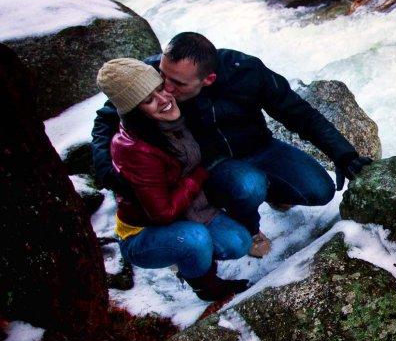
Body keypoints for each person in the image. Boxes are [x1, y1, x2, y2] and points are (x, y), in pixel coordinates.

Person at [92, 32, 371, 257]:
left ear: (208, 79)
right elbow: (108, 118)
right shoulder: (157, 74)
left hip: (259, 147)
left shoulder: (246, 71)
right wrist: (110, 172)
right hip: (207, 164)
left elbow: (298, 113)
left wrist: (343, 154)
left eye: (176, 83)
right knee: (247, 185)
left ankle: (272, 192)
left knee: (320, 190)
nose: (165, 88)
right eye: (163, 76)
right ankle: (248, 226)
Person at [95, 58, 252, 301]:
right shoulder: (135, 149)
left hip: (189, 209)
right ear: (135, 112)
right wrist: (198, 173)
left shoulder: (176, 110)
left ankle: (188, 252)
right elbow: (163, 213)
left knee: (238, 243)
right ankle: (204, 285)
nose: (163, 99)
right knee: (194, 240)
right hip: (145, 231)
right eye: (148, 100)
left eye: (159, 88)